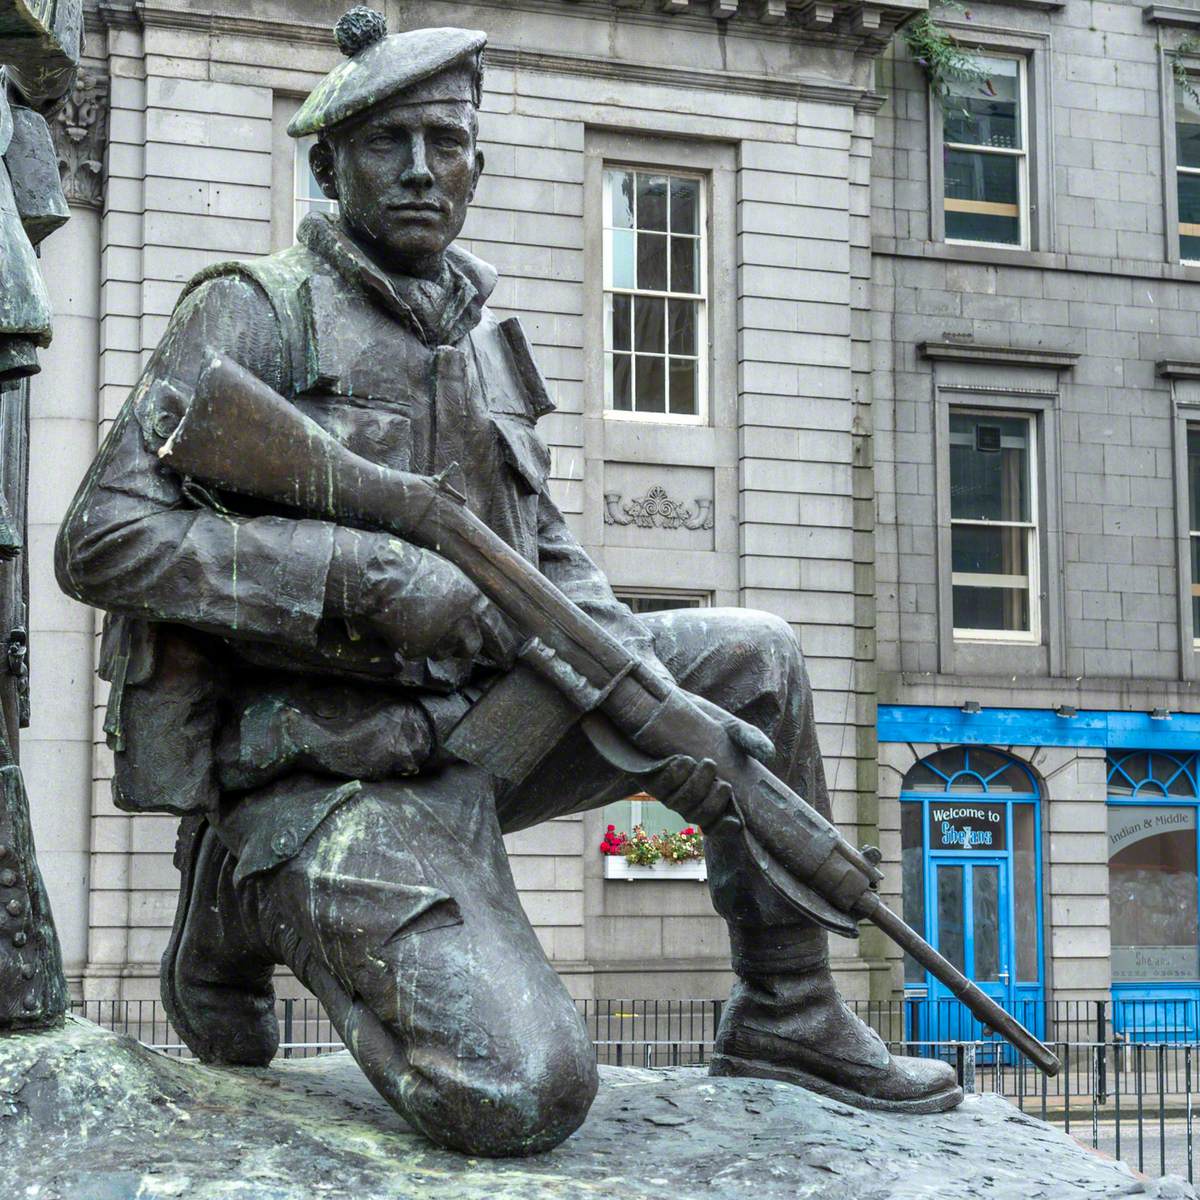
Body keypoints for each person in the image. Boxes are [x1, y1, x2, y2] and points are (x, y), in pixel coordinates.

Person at [55, 8, 960, 1158]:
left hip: (487, 727)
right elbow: (103, 537)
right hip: (331, 771)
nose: (424, 169)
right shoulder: (253, 311)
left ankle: (790, 1012)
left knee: (755, 663)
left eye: (449, 139)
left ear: (480, 156)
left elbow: (544, 550)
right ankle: (242, 885)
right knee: (522, 1092)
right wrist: (360, 573)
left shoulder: (485, 341)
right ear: (330, 163)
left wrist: (640, 683)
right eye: (390, 143)